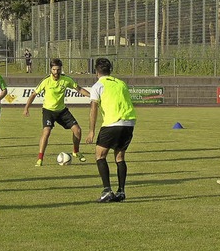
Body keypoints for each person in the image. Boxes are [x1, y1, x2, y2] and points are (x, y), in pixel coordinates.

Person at [85, 58, 136, 203]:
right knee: (120, 157)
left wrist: (91, 131)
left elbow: (93, 108)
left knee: (100, 155)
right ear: (110, 70)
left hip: (112, 123)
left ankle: (107, 190)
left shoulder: (98, 85)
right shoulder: (121, 83)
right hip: (129, 122)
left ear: (96, 72)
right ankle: (121, 192)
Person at [23, 58, 90, 166]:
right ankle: (40, 158)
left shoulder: (66, 80)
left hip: (62, 111)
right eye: (54, 69)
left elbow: (79, 89)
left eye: (58, 69)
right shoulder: (46, 81)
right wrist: (26, 108)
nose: (56, 72)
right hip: (48, 111)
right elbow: (33, 94)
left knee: (77, 130)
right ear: (51, 69)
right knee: (46, 131)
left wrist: (92, 96)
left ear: (61, 69)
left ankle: (76, 152)